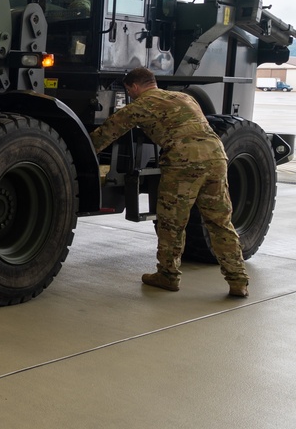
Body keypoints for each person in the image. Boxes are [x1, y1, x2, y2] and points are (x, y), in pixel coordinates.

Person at [90, 67, 249, 298]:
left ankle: (168, 275)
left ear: (133, 87)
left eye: (129, 90)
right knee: (220, 222)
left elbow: (108, 132)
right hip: (216, 156)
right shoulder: (185, 97)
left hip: (184, 161)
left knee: (171, 223)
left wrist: (77, 154)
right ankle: (238, 281)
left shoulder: (142, 105)